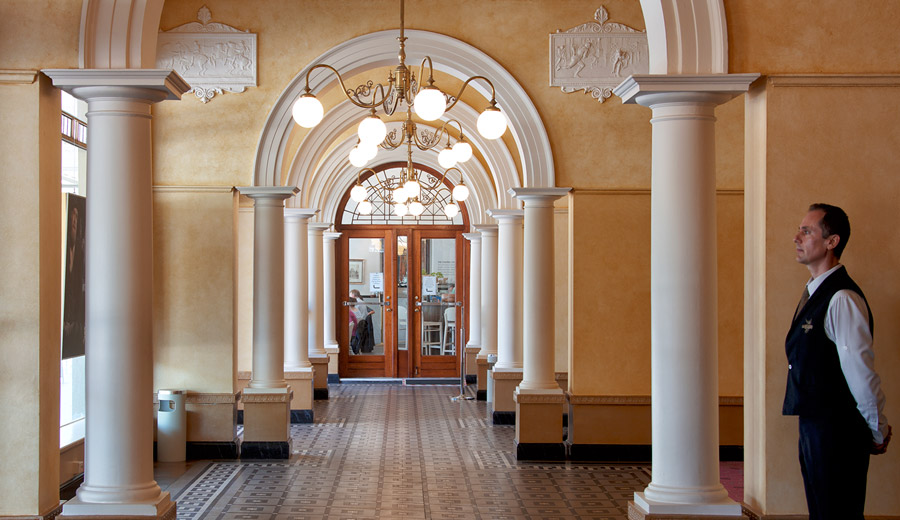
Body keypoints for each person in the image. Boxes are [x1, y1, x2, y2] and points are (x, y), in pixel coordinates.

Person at [783, 203, 892, 520]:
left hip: (838, 432)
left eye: (807, 231)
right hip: (815, 428)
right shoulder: (814, 293)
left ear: (832, 241)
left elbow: (861, 373)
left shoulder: (842, 298)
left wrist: (876, 428)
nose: (796, 237)